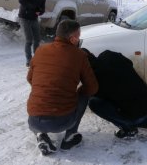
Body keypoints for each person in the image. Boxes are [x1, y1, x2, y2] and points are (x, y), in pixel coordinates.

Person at [27, 20, 98, 156]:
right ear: (72, 39)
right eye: (79, 36)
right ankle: (70, 137)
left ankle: (41, 135)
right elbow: (92, 88)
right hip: (62, 121)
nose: (79, 40)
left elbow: (30, 79)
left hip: (33, 121)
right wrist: (76, 92)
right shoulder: (80, 55)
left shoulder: (40, 50)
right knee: (84, 95)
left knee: (38, 94)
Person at [84, 49, 147, 139]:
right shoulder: (108, 54)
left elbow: (95, 95)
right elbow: (129, 63)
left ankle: (127, 128)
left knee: (94, 103)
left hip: (136, 114)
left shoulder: (96, 79)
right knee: (135, 112)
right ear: (90, 53)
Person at [18, 0, 52, 67]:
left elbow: (42, 9)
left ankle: (37, 58)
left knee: (37, 39)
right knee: (29, 40)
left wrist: (40, 12)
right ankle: (29, 61)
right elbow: (21, 0)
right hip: (24, 17)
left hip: (34, 18)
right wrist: (33, 8)